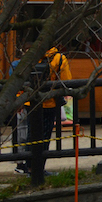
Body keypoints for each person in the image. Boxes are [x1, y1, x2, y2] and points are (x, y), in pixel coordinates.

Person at [21, 46, 70, 185]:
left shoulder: (29, 55)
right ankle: (39, 169)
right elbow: (66, 80)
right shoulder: (59, 58)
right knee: (44, 136)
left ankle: (30, 168)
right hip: (49, 102)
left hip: (30, 102)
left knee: (32, 135)